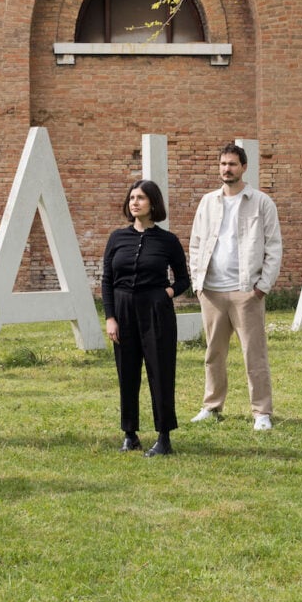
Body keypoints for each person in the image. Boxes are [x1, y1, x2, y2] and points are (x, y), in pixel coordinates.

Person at [189, 142, 283, 429]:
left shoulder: (261, 202)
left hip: (246, 291)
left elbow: (274, 247)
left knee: (254, 353)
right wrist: (197, 283)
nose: (226, 169)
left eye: (232, 164)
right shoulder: (208, 202)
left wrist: (261, 287)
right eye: (222, 164)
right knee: (213, 353)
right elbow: (195, 243)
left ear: (244, 167)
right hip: (212, 291)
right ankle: (212, 405)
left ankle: (261, 412)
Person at [101, 180, 190, 456]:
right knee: (126, 372)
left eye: (140, 198)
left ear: (153, 203)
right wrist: (110, 317)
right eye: (131, 198)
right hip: (123, 310)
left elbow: (184, 278)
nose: (134, 202)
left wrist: (168, 292)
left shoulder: (168, 240)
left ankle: (164, 437)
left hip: (156, 312)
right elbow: (107, 280)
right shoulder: (117, 238)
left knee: (160, 372)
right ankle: (130, 434)